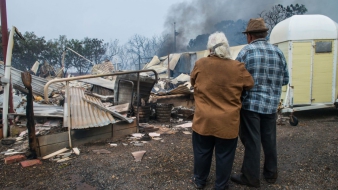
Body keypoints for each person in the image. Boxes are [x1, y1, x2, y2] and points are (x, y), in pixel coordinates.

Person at [190, 31, 254, 190]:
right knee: (225, 155)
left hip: (203, 121)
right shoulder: (238, 67)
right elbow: (250, 84)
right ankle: (221, 185)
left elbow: (192, 81)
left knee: (202, 152)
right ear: (226, 48)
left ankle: (200, 180)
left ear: (210, 49)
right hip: (227, 123)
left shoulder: (200, 64)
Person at [231, 18, 289, 188]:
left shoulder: (245, 52)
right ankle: (271, 174)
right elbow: (285, 79)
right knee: (269, 139)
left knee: (252, 141)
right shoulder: (278, 52)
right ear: (265, 34)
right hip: (271, 105)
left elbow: (235, 80)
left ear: (249, 36)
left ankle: (250, 177)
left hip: (251, 106)